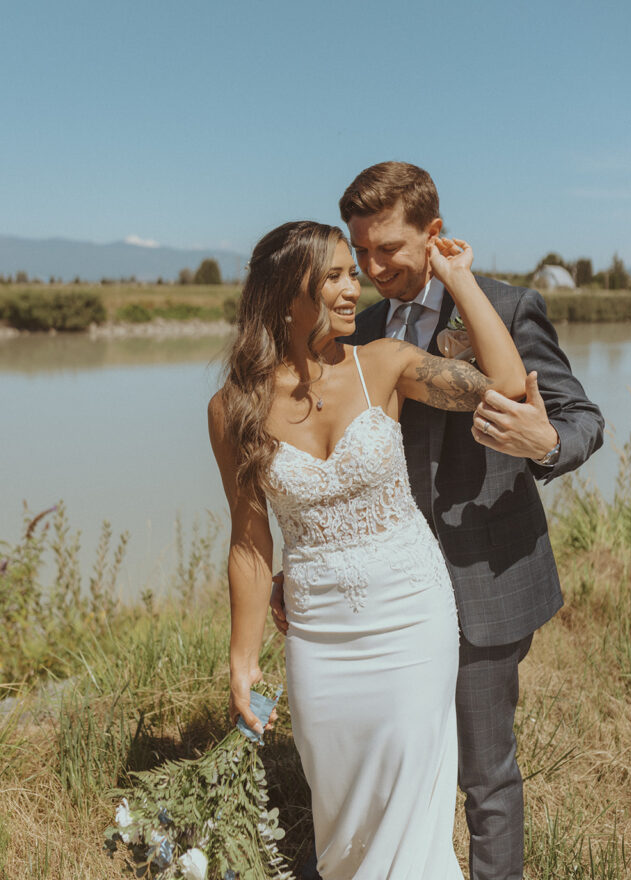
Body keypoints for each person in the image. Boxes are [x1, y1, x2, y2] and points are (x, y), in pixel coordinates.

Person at [273, 162, 604, 880]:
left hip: (483, 576)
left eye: (386, 248)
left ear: (433, 233)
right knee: (378, 769)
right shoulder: (354, 327)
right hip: (387, 595)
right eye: (358, 251)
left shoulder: (507, 307)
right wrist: (305, 553)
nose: (369, 266)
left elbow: (580, 418)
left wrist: (542, 443)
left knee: (483, 774)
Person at [208, 219, 528, 880]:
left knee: (410, 817)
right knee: (345, 817)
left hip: (412, 617)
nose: (356, 287)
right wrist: (242, 661)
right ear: (284, 293)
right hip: (318, 635)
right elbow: (248, 542)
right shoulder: (231, 408)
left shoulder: (383, 362)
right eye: (335, 275)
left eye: (352, 273)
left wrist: (458, 278)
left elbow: (506, 382)